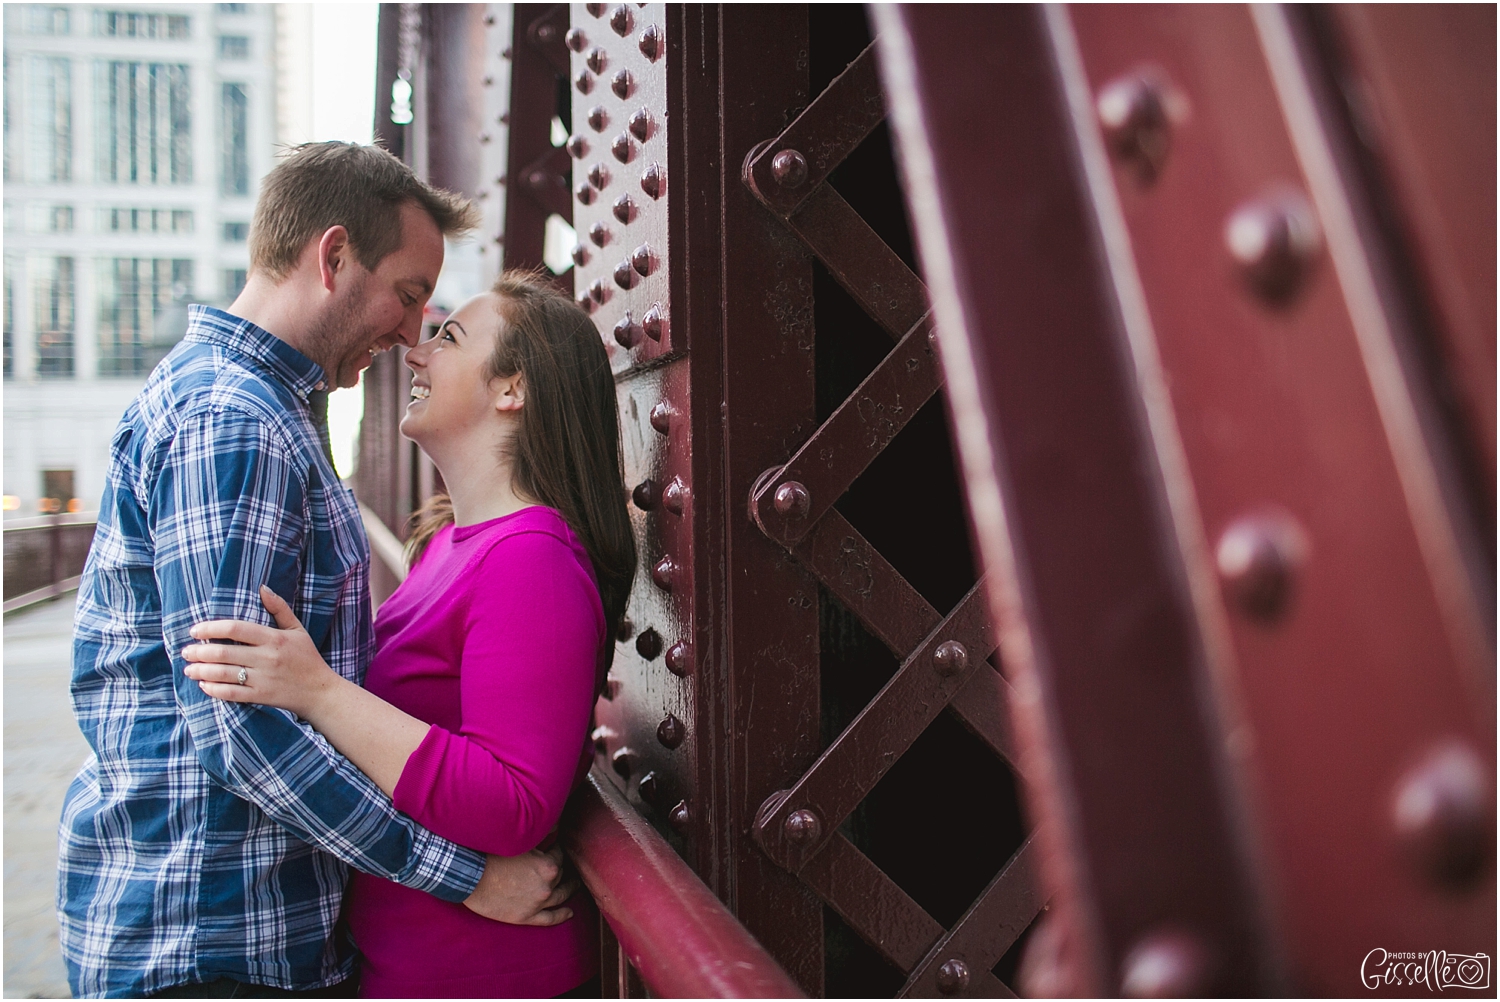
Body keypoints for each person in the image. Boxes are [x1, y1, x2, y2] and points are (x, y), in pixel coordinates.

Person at [59, 143, 572, 1000]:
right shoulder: (237, 421)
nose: (413, 334)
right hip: (207, 942)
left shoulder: (259, 411)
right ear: (331, 256)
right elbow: (237, 729)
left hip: (235, 934)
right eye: (408, 297)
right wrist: (466, 875)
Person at [181, 271, 636, 997]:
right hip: (413, 967)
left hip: (486, 979)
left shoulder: (530, 559)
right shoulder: (451, 546)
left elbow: (515, 802)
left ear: (511, 389)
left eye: (448, 336)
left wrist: (320, 693)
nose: (415, 355)